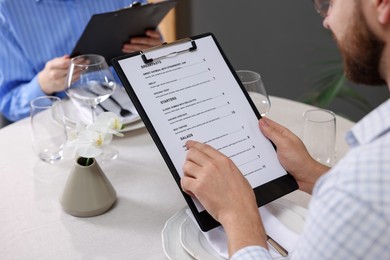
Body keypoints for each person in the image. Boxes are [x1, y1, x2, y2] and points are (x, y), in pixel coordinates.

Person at [181, 0, 390, 259]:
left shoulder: (360, 189)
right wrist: (313, 174)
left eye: (331, 3)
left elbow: (363, 197)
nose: (327, 20)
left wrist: (237, 214)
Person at [0, 0, 163, 122]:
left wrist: (156, 53)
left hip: (140, 118)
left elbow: (157, 58)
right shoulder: (6, 10)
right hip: (61, 131)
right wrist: (43, 85)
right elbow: (8, 103)